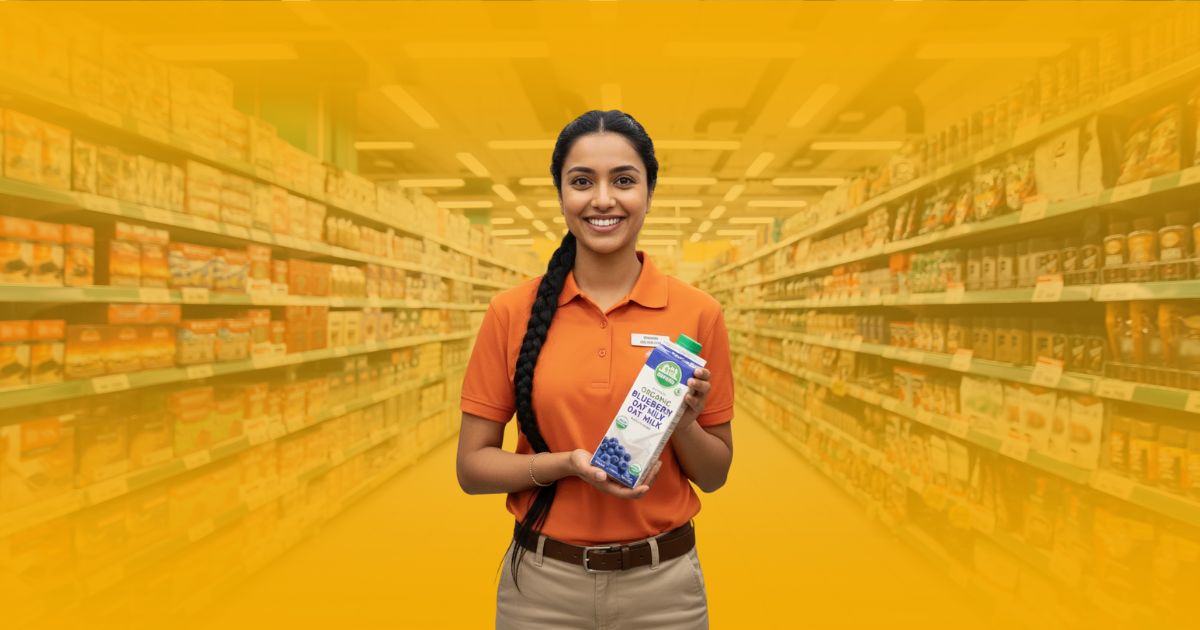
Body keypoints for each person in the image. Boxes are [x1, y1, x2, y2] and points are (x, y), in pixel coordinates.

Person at [456, 109, 735, 630]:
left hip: (665, 590)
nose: (603, 199)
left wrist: (683, 423)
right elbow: (472, 469)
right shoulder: (511, 312)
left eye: (624, 181)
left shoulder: (698, 313)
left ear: (649, 193)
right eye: (582, 181)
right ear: (561, 194)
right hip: (541, 588)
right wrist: (565, 464)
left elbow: (715, 475)